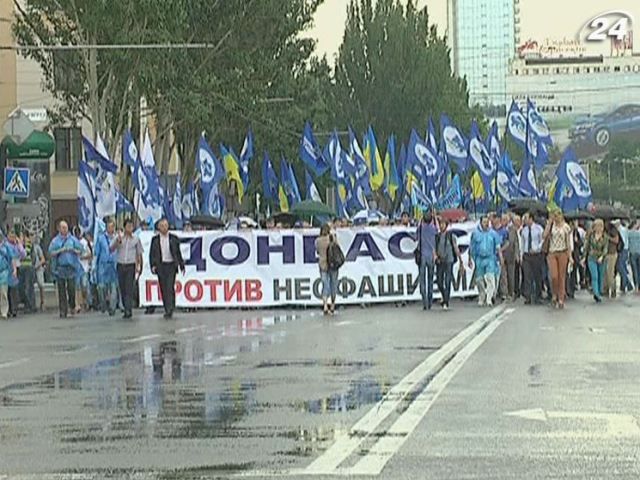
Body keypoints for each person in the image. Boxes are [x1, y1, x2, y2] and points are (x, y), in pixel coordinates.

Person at [149, 218, 185, 319]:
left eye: (166, 225)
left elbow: (178, 253)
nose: (164, 227)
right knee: (163, 288)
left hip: (171, 265)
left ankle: (170, 308)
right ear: (159, 227)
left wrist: (181, 265)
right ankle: (166, 307)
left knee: (170, 287)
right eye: (162, 226)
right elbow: (152, 254)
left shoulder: (173, 238)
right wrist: (153, 265)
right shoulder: (155, 240)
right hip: (161, 266)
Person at [48, 221, 83, 318]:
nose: (65, 229)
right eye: (63, 227)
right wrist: (61, 250)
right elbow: (50, 253)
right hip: (60, 268)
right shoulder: (55, 241)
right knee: (61, 290)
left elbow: (81, 250)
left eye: (66, 227)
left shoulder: (72, 239)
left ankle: (72, 305)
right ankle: (63, 310)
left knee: (71, 289)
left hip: (71, 268)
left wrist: (73, 250)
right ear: (59, 229)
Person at [111, 219, 143, 319]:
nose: (129, 228)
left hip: (130, 265)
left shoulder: (136, 239)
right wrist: (117, 242)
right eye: (128, 226)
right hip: (121, 265)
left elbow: (139, 253)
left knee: (129, 287)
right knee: (123, 288)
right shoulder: (118, 237)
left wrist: (139, 265)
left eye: (131, 226)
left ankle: (128, 310)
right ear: (124, 227)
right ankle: (125, 306)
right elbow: (111, 249)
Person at [469, 216, 502, 307]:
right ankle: (482, 296)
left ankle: (489, 299)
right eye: (484, 222)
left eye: (487, 222)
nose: (486, 224)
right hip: (479, 259)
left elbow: (498, 247)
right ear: (480, 223)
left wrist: (501, 258)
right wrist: (470, 259)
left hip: (490, 258)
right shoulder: (475, 233)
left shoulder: (493, 234)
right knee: (479, 280)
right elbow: (471, 247)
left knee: (491, 279)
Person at [543, 210, 572, 309]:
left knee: (561, 276)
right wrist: (549, 223)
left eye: (558, 215)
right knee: (554, 276)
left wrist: (570, 256)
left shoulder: (566, 227)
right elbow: (544, 235)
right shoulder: (551, 226)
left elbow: (568, 243)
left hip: (562, 252)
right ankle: (554, 294)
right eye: (555, 216)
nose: (556, 218)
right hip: (552, 252)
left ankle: (561, 298)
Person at [435, 219, 462, 310]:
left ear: (446, 225)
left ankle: (446, 301)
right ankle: (443, 295)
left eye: (443, 224)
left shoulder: (451, 236)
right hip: (440, 261)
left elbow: (455, 248)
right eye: (440, 224)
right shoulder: (437, 236)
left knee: (447, 281)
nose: (441, 226)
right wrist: (436, 257)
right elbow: (435, 248)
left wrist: (460, 260)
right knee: (439, 281)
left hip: (449, 260)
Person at [520, 212, 545, 305]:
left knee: (537, 276)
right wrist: (521, 254)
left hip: (536, 255)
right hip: (527, 255)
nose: (525, 220)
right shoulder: (524, 230)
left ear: (531, 219)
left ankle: (538, 296)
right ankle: (528, 296)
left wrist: (537, 248)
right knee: (527, 276)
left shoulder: (538, 228)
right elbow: (522, 243)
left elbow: (542, 240)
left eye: (526, 218)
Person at [95, 220, 119, 316]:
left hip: (114, 264)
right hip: (103, 265)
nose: (111, 229)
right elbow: (97, 253)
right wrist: (94, 266)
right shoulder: (100, 238)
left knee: (114, 287)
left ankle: (112, 308)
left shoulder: (117, 238)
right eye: (109, 227)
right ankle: (103, 303)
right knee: (102, 287)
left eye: (112, 227)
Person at [315, 224, 339, 315]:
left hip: (323, 264)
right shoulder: (333, 238)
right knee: (333, 284)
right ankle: (332, 305)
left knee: (325, 284)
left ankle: (325, 305)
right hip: (333, 264)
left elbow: (317, 251)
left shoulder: (318, 241)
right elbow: (337, 248)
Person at [417, 209, 438, 310]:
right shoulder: (433, 228)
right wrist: (435, 217)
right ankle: (429, 301)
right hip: (431, 256)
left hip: (422, 256)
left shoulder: (421, 228)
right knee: (430, 280)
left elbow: (416, 236)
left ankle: (424, 301)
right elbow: (438, 230)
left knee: (422, 280)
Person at [584, 219, 608, 303]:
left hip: (602, 258)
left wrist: (602, 257)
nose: (599, 228)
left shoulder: (605, 237)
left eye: (600, 226)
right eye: (597, 226)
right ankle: (596, 294)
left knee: (601, 276)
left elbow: (605, 249)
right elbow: (586, 246)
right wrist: (583, 257)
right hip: (592, 257)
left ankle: (599, 291)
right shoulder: (591, 236)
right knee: (595, 276)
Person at [6, 230, 25, 317]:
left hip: (17, 267)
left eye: (14, 236)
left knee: (15, 289)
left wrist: (19, 244)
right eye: (11, 236)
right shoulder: (6, 245)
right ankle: (9, 309)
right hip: (7, 268)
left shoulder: (17, 245)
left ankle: (14, 309)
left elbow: (23, 254)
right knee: (8, 290)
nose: (12, 238)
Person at [73, 227, 92, 312]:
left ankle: (86, 302)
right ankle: (78, 304)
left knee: (84, 286)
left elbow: (90, 254)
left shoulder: (85, 242)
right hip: (76, 268)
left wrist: (82, 257)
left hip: (84, 268)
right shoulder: (73, 242)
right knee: (77, 287)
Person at [503, 214, 521, 301]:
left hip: (511, 255)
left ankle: (511, 292)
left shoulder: (512, 229)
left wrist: (517, 254)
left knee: (511, 275)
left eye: (505, 220)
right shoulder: (500, 229)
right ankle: (504, 293)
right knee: (503, 275)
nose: (503, 221)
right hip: (502, 255)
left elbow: (516, 243)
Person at [18, 230, 36, 313]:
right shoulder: (20, 245)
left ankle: (31, 306)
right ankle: (26, 303)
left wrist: (20, 245)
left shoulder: (28, 243)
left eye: (22, 236)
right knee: (21, 287)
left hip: (28, 267)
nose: (20, 238)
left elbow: (25, 254)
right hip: (21, 267)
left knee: (28, 287)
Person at [0, 233, 17, 320]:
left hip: (3, 272)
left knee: (3, 293)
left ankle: (4, 312)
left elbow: (12, 258)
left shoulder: (6, 246)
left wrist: (14, 270)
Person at [613, 220, 633, 294]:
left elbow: (622, 242)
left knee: (620, 267)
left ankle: (626, 284)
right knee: (622, 267)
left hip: (622, 250)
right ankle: (625, 285)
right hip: (625, 250)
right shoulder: (624, 229)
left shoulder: (621, 230)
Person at [604, 221, 620, 299]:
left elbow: (616, 240)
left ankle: (613, 289)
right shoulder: (603, 229)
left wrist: (608, 238)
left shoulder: (613, 229)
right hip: (604, 253)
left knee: (610, 272)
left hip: (612, 253)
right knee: (605, 273)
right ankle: (605, 289)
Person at [32, 234, 47, 311]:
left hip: (38, 268)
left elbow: (43, 259)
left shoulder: (37, 247)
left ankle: (43, 302)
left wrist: (38, 265)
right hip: (30, 269)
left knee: (41, 284)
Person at [627, 221, 640, 293]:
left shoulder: (629, 233)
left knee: (634, 270)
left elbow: (627, 243)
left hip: (632, 253)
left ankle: (636, 286)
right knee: (639, 270)